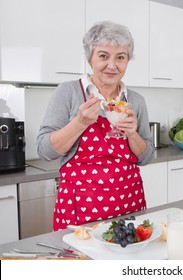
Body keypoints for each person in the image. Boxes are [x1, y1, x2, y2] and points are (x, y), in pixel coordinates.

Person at [37, 21, 154, 231]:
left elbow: (146, 157)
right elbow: (45, 151)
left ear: (128, 60)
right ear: (90, 58)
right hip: (81, 205)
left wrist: (132, 134)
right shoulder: (68, 92)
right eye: (103, 56)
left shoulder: (135, 100)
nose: (112, 65)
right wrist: (79, 123)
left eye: (121, 57)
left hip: (128, 202)